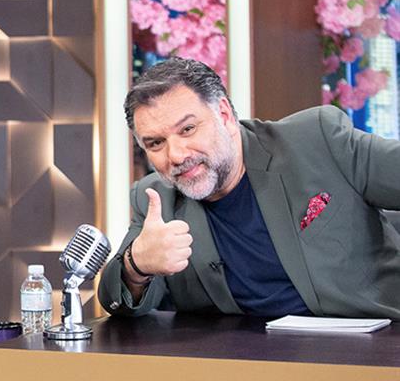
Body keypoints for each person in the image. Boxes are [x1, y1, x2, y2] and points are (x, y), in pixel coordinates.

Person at [98, 57, 400, 319]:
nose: (175, 155)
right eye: (156, 143)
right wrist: (136, 266)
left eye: (187, 129)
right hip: (247, 360)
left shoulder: (317, 141)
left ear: (225, 116)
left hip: (371, 346)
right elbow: (116, 301)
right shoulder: (155, 199)